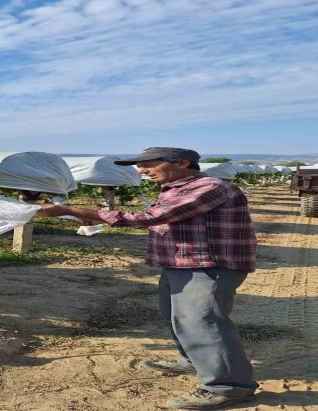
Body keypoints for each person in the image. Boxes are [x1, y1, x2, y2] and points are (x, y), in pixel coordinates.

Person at [36, 147, 258, 410]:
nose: (140, 170)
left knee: (204, 323)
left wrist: (70, 210)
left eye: (148, 164)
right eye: (139, 166)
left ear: (183, 163)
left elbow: (152, 218)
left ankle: (229, 386)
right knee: (177, 316)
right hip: (182, 264)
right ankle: (194, 360)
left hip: (208, 265)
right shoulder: (174, 188)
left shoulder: (211, 187)